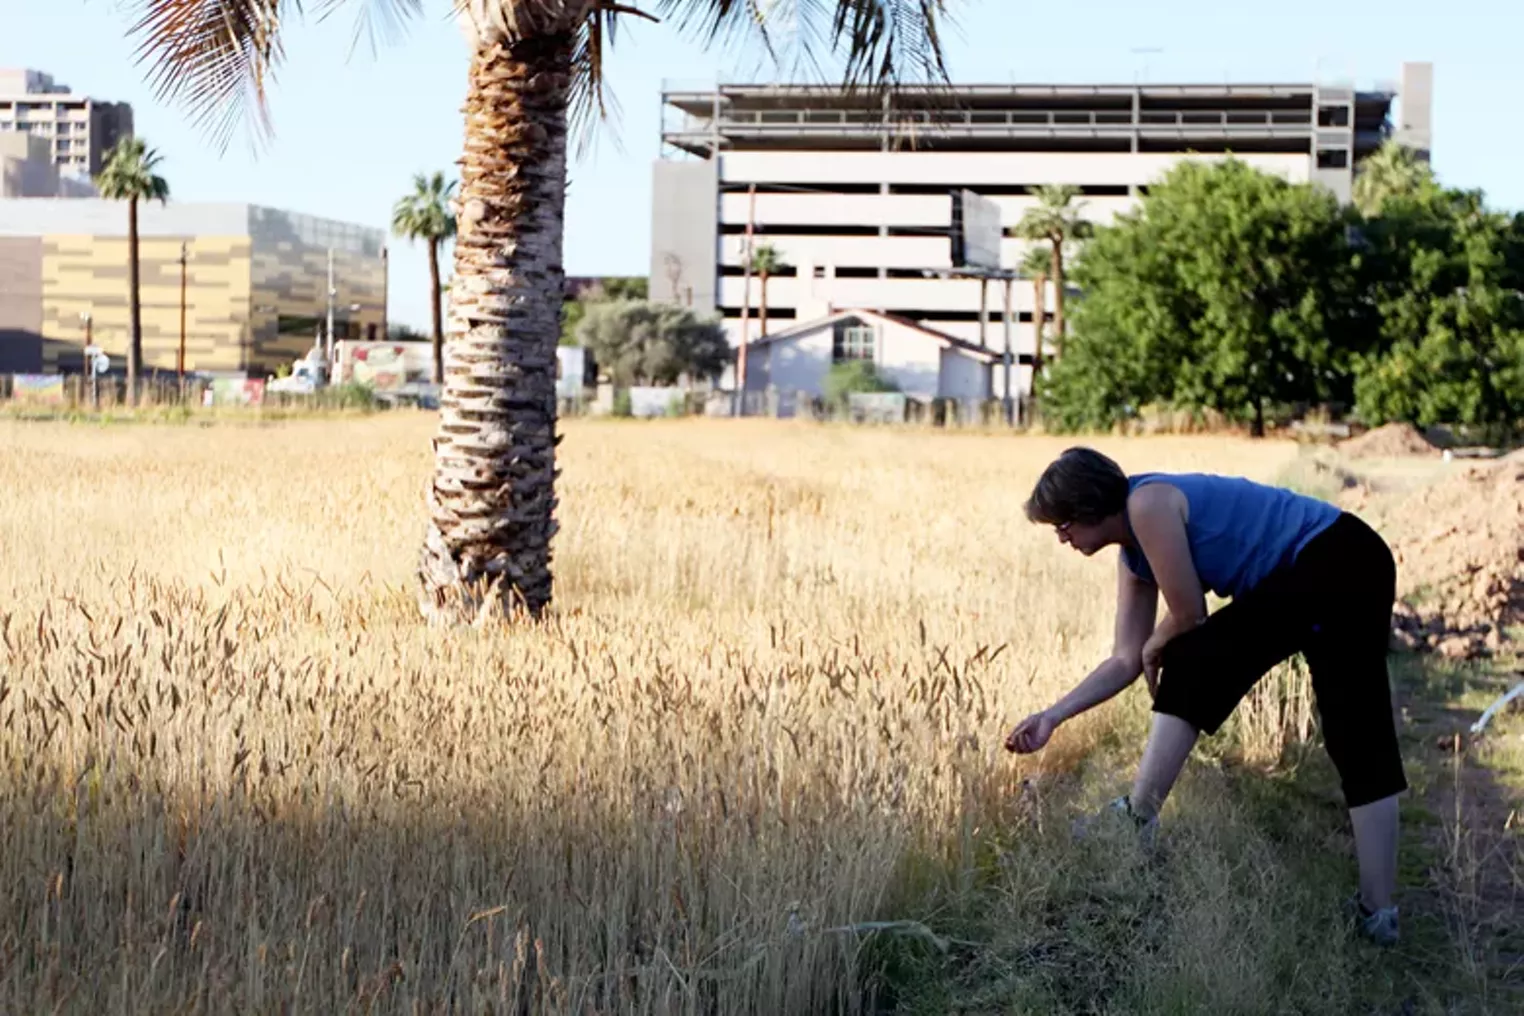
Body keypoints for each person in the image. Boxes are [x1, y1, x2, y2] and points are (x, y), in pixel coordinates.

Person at [1003, 447, 1406, 946]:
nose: (1060, 537)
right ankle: (1377, 914)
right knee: (1344, 729)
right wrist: (1053, 717)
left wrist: (1159, 643)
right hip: (1332, 566)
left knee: (1215, 667)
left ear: (1088, 508)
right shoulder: (1134, 556)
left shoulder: (1146, 505)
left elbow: (1189, 614)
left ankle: (1137, 816)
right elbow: (1125, 660)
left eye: (1062, 524)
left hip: (1340, 556)